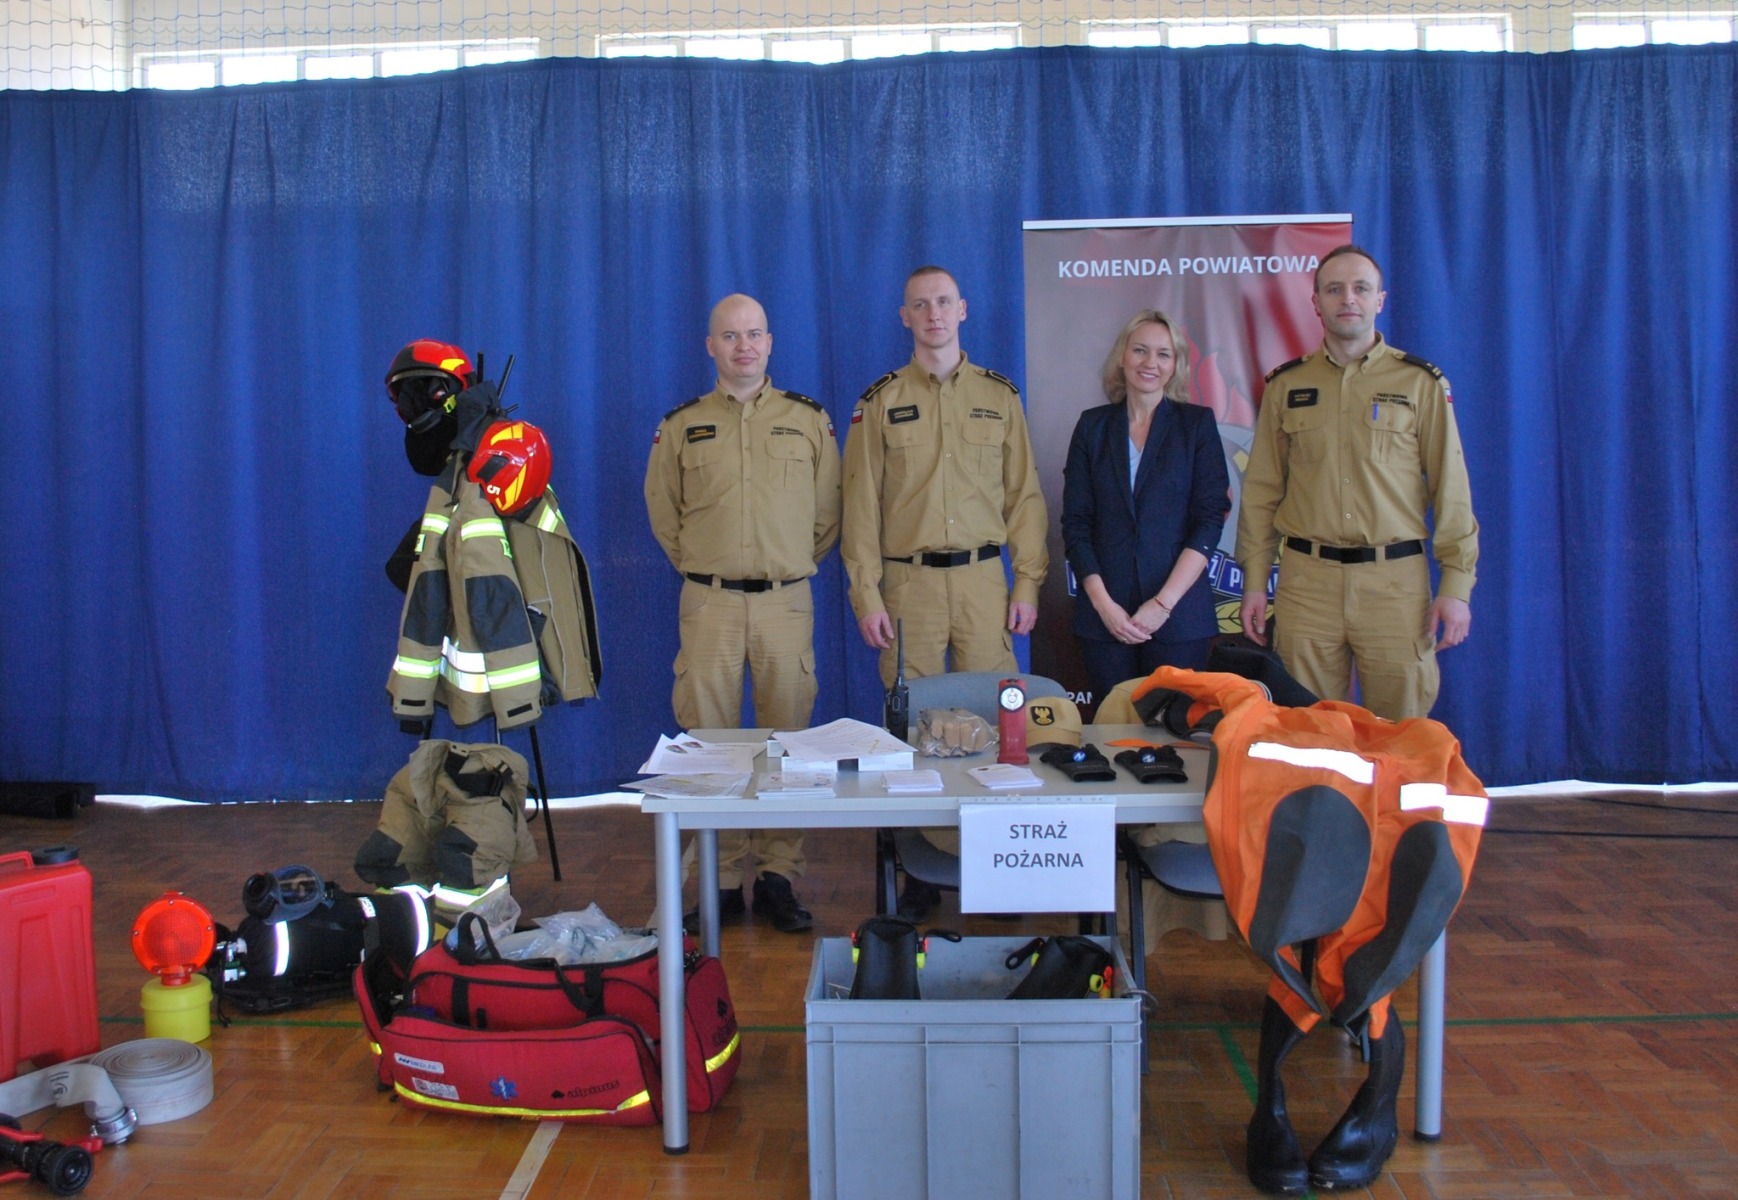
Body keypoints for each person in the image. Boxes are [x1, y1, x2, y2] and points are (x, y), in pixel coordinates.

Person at [841, 265, 1048, 919]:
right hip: (909, 587)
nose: (933, 313)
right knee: (912, 732)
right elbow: (860, 508)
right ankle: (919, 868)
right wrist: (867, 595)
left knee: (996, 723)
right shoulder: (879, 402)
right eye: (920, 304)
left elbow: (1025, 497)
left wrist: (1028, 580)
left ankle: (999, 861)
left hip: (986, 583)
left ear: (963, 310)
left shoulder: (999, 396)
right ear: (904, 316)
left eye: (943, 302)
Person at [643, 294, 841, 933]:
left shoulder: (808, 420)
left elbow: (828, 514)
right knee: (712, 744)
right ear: (711, 346)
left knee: (788, 740)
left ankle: (779, 874)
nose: (744, 346)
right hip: (711, 602)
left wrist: (785, 564)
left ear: (770, 341)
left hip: (786, 600)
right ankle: (722, 878)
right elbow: (664, 513)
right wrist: (708, 566)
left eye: (754, 334)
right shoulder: (683, 426)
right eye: (730, 336)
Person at [1235, 245, 1478, 720]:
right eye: (1334, 289)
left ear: (1379, 300)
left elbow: (1450, 489)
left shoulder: (1420, 384)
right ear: (1316, 302)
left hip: (1394, 586)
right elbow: (1262, 493)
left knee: (1402, 732)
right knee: (1309, 730)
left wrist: (1456, 585)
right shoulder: (1286, 386)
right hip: (1307, 585)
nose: (1348, 298)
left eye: (1361, 288)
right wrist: (1255, 582)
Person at [1061, 310, 1230, 704]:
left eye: (1163, 354)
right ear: (1122, 356)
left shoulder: (1196, 425)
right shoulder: (1092, 426)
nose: (1150, 362)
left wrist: (1162, 605)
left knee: (1174, 730)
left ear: (1175, 365)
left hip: (1179, 617)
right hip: (1105, 619)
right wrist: (1104, 606)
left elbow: (1208, 520)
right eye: (1140, 350)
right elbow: (1076, 523)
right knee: (1113, 728)